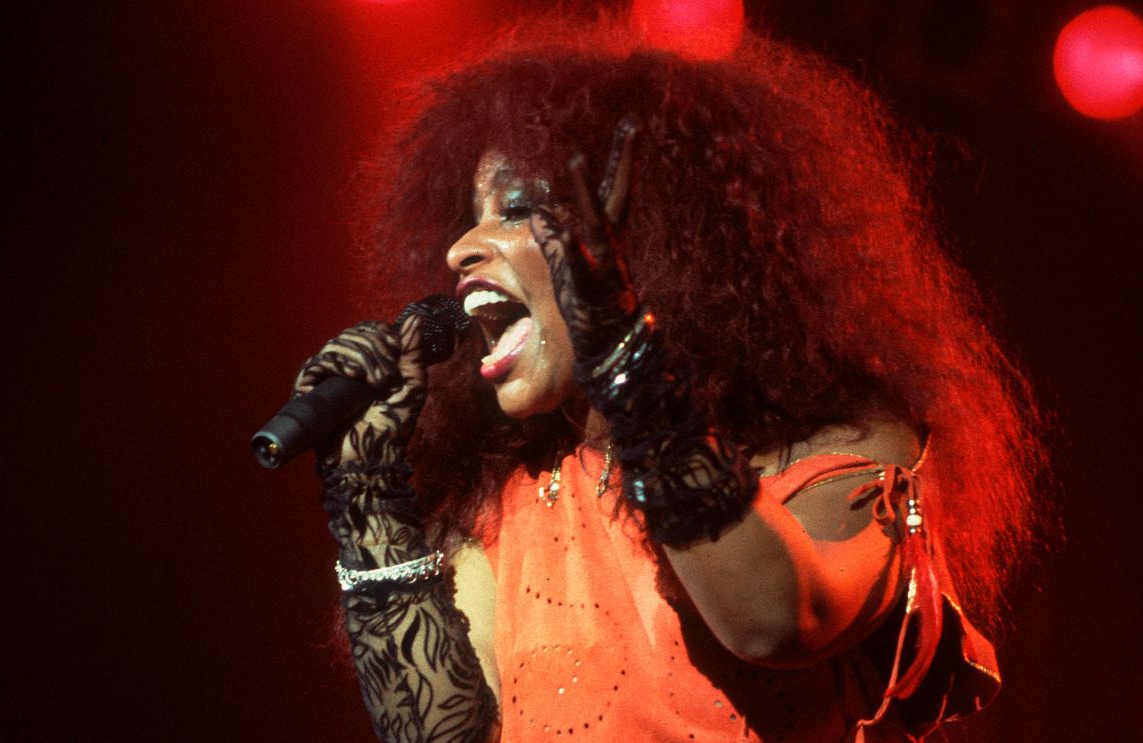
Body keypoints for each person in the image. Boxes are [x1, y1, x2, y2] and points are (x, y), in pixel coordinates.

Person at [291, 19, 1046, 743]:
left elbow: (775, 622)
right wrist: (371, 507)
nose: (460, 247)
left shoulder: (841, 444)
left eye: (518, 208)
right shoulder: (506, 496)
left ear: (652, 237)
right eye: (468, 216)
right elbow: (443, 729)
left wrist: (623, 356)